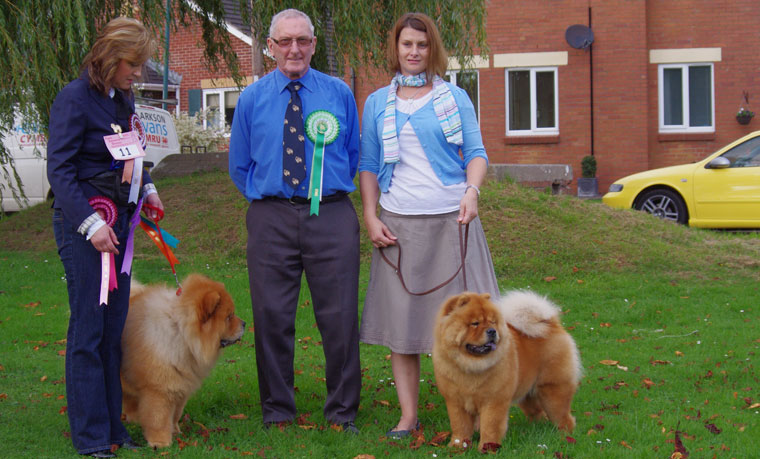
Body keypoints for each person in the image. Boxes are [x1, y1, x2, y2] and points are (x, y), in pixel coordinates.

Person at [358, 12, 500, 439]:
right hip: (399, 226)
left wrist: (472, 193)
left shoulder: (454, 98)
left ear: (431, 48)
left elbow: (476, 152)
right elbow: (367, 164)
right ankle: (408, 416)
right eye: (407, 45)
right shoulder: (377, 103)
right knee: (403, 328)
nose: (414, 52)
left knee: (471, 327)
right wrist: (370, 214)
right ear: (396, 49)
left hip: (451, 224)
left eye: (421, 45)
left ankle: (473, 411)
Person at [228, 8, 361, 433]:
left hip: (333, 215)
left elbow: (354, 153)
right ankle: (278, 412)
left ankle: (341, 413)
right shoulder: (251, 99)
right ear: (270, 47)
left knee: (339, 317)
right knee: (271, 317)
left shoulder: (338, 93)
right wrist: (267, 199)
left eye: (302, 40)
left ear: (314, 45)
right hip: (271, 218)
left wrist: (324, 191)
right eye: (284, 41)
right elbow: (239, 164)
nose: (294, 49)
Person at [47, 17, 163, 458]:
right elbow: (60, 170)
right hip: (84, 224)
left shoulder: (124, 98)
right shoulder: (74, 99)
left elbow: (133, 155)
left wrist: (147, 190)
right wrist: (92, 225)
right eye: (133, 63)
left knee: (113, 329)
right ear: (111, 57)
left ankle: (116, 428)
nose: (138, 72)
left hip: (119, 223)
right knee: (89, 331)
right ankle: (91, 437)